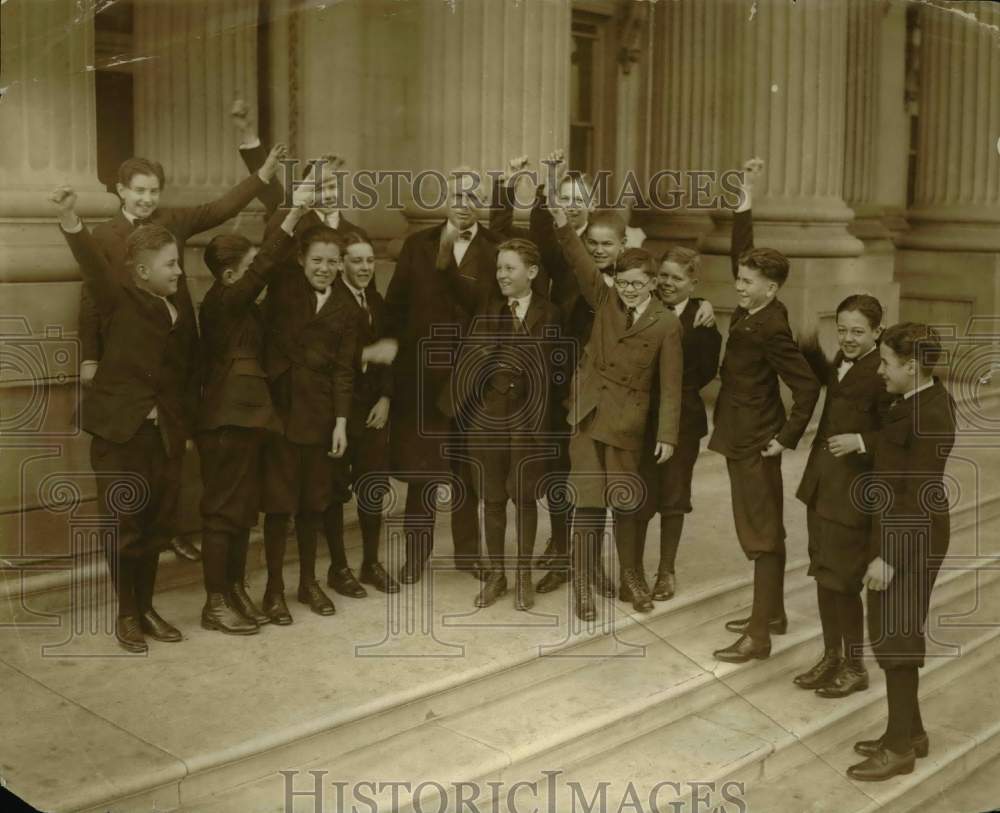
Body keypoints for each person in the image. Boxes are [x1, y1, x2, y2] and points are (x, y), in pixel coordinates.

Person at [79, 145, 286, 562]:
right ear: (120, 191)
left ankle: (169, 528)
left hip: (179, 352)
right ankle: (154, 539)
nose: (147, 199)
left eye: (154, 190)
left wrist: (261, 176)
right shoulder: (103, 236)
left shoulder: (171, 222)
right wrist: (89, 355)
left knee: (175, 447)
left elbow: (219, 209)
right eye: (139, 190)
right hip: (131, 358)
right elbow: (91, 299)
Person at [52, 186, 200, 653]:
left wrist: (183, 430)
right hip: (121, 435)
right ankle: (127, 613)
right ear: (141, 272)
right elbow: (94, 266)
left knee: (155, 526)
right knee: (125, 527)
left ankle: (148, 606)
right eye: (171, 264)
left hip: (164, 437)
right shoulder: (118, 300)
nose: (180, 270)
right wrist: (71, 220)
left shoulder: (177, 310)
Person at [711, 158, 821, 663]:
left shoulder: (773, 325)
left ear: (771, 289)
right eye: (740, 277)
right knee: (763, 528)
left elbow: (806, 387)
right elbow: (743, 251)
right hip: (743, 433)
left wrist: (785, 438)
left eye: (749, 281)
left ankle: (759, 636)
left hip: (756, 439)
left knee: (760, 534)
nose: (739, 284)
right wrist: (746, 196)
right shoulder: (758, 307)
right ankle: (771, 614)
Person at [552, 201, 683, 619]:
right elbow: (578, 259)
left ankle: (632, 577)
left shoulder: (666, 324)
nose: (627, 290)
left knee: (625, 503)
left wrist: (666, 434)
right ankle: (584, 586)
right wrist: (561, 222)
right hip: (589, 417)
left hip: (628, 422)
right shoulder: (604, 298)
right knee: (588, 503)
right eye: (622, 283)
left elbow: (671, 385)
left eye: (636, 284)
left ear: (651, 284)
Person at [196, 179, 313, 634]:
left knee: (242, 513)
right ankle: (214, 602)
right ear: (229, 276)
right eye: (245, 270)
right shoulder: (224, 302)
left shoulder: (243, 308)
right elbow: (264, 267)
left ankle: (233, 590)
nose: (254, 278)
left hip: (247, 419)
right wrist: (292, 215)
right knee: (223, 514)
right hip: (227, 420)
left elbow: (269, 270)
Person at [847, 322, 955, 782]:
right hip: (902, 531)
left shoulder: (928, 413)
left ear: (911, 367)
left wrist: (889, 557)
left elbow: (919, 495)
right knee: (895, 633)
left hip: (909, 538)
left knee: (897, 639)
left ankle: (898, 750)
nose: (880, 372)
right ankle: (909, 732)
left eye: (887, 364)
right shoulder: (916, 400)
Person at [383, 171, 502, 584]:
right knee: (423, 471)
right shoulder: (418, 245)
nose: (464, 201)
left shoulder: (495, 249)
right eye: (458, 193)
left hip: (474, 378)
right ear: (446, 196)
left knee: (467, 467)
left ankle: (469, 555)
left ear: (483, 202)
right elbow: (396, 306)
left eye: (474, 195)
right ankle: (417, 556)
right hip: (423, 378)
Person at [440, 238, 567, 610]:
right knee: (492, 499)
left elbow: (555, 369)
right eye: (498, 269)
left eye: (509, 268)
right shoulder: (488, 310)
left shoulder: (551, 312)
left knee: (524, 498)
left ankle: (524, 575)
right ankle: (498, 575)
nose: (502, 275)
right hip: (488, 420)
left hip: (530, 422)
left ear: (531, 272)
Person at [793, 294, 890, 696]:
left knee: (844, 581)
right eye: (843, 330)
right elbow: (833, 385)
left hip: (854, 496)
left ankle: (854, 666)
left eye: (858, 332)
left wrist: (863, 440)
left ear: (877, 333)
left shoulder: (885, 373)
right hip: (823, 487)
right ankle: (833, 656)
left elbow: (902, 437)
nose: (848, 339)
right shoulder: (842, 361)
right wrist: (813, 348)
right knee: (823, 574)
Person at [258, 226, 357, 623]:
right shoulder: (284, 290)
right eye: (317, 259)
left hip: (319, 418)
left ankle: (308, 582)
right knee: (280, 507)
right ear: (301, 260)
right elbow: (272, 248)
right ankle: (273, 589)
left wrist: (341, 423)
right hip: (280, 415)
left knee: (313, 504)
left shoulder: (347, 307)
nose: (325, 268)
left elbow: (345, 370)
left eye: (333, 262)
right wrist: (296, 206)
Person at [634, 247, 721, 602]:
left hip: (682, 421)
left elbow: (702, 374)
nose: (668, 284)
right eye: (664, 276)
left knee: (674, 496)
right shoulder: (642, 308)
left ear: (693, 283)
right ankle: (634, 571)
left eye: (677, 278)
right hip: (640, 419)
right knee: (638, 496)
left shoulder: (703, 325)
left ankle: (665, 570)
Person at [323, 233, 401, 599]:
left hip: (371, 412)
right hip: (338, 413)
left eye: (370, 261)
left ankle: (370, 562)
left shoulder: (376, 300)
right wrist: (369, 355)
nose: (365, 268)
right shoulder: (331, 301)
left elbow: (390, 354)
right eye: (356, 261)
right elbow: (329, 359)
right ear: (341, 265)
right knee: (334, 491)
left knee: (373, 489)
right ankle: (338, 567)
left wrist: (386, 397)